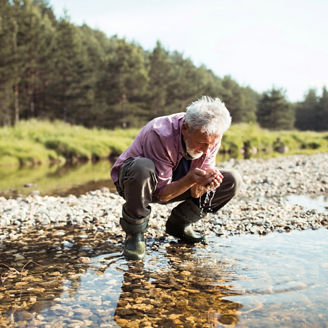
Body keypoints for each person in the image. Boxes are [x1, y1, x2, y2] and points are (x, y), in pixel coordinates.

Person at [111, 96, 241, 260]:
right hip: (138, 183)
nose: (207, 150)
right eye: (202, 143)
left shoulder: (213, 133)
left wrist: (204, 184)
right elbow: (161, 194)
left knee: (231, 180)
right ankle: (134, 234)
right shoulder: (159, 133)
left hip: (176, 180)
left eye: (212, 144)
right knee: (142, 167)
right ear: (186, 128)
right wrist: (190, 179)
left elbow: (195, 191)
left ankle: (179, 225)